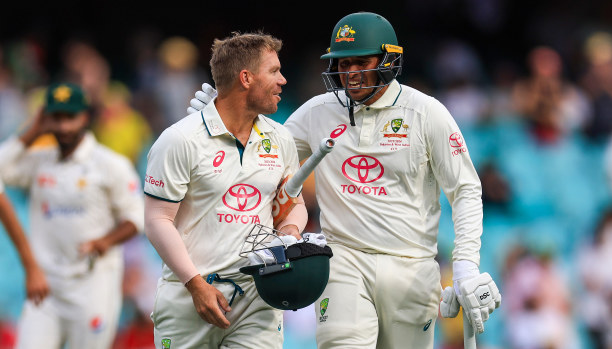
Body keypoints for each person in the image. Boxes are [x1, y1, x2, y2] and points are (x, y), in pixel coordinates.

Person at [189, 12, 501, 348]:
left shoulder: (426, 113)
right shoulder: (318, 111)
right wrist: (223, 123)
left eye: (360, 62)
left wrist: (466, 264)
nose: (350, 73)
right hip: (343, 262)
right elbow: (259, 156)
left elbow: (465, 190)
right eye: (343, 63)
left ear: (387, 60)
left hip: (412, 267)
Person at [143, 31, 308, 348]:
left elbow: (293, 203)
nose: (283, 80)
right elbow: (157, 220)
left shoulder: (281, 138)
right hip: (189, 298)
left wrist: (289, 229)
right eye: (273, 71)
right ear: (246, 78)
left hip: (258, 299)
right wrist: (195, 285)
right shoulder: (180, 139)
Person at [0, 82, 144, 349]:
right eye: (57, 118)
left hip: (92, 286)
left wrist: (105, 241)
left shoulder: (110, 164)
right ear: (46, 118)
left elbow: (136, 218)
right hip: (46, 286)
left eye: (70, 118)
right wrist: (32, 131)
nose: (64, 127)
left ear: (85, 117)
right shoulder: (39, 160)